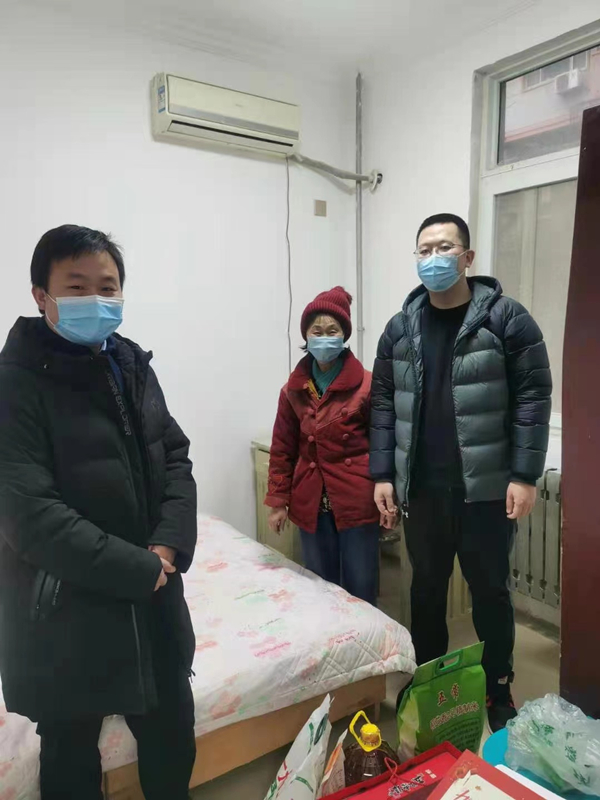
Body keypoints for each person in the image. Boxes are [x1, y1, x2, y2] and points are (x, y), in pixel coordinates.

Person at [0, 225, 197, 799]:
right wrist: (138, 567)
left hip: (154, 595)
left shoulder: (130, 363)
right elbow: (29, 515)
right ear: (41, 295)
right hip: (66, 608)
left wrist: (166, 545)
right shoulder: (15, 384)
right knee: (70, 755)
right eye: (76, 286)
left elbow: (174, 455)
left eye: (107, 287)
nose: (95, 299)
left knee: (171, 739)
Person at [370, 213, 551, 732]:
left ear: (468, 257)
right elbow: (383, 404)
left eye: (444, 247)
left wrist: (524, 474)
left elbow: (534, 396)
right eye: (424, 250)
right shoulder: (400, 328)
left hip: (486, 491)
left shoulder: (506, 319)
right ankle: (430, 683)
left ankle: (498, 688)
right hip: (423, 491)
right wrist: (382, 473)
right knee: (425, 592)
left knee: (490, 593)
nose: (434, 258)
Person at [265, 287, 390, 606]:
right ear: (306, 336)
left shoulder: (367, 384)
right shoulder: (292, 389)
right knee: (320, 587)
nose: (324, 338)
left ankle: (366, 638)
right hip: (310, 500)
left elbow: (384, 443)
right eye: (316, 331)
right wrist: (278, 501)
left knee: (361, 587)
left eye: (332, 331)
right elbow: (282, 448)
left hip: (357, 499)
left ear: (344, 335)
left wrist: (388, 494)